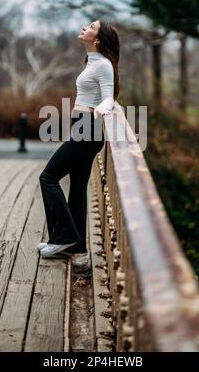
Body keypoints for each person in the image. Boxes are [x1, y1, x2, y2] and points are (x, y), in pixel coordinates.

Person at [38, 19, 120, 258]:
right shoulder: (92, 62)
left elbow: (108, 97)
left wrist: (102, 109)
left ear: (97, 39)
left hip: (89, 128)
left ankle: (62, 238)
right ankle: (77, 247)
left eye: (91, 27)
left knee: (48, 177)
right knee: (77, 187)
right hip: (82, 127)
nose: (85, 27)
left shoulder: (103, 64)